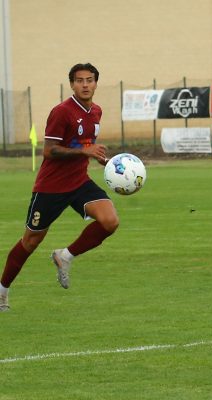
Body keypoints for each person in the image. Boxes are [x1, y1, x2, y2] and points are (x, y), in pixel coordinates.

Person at [0, 63, 118, 312]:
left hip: (79, 182)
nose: (85, 85)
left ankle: (65, 256)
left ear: (96, 83)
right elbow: (49, 150)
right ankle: (2, 290)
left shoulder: (96, 111)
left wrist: (98, 157)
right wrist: (84, 151)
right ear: (72, 84)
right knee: (30, 242)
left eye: (89, 80)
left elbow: (84, 144)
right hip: (51, 187)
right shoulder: (61, 112)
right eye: (79, 80)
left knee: (110, 221)